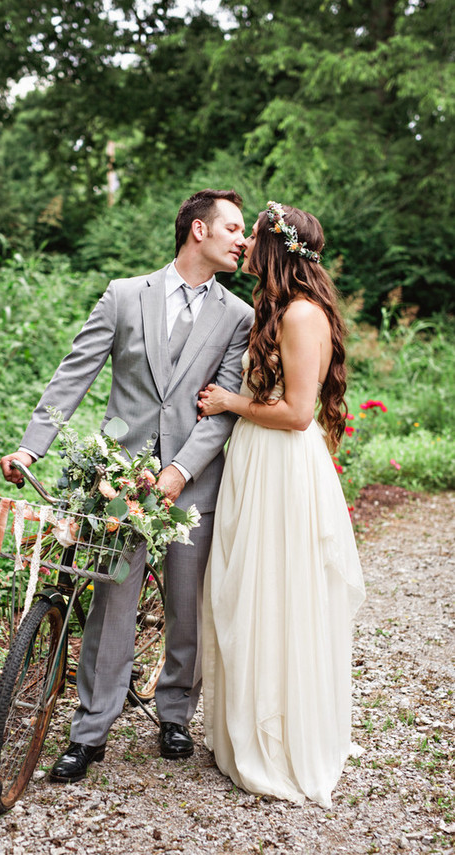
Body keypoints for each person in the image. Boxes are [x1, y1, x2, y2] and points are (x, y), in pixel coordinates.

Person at [0, 189, 254, 783]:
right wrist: (30, 446)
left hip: (192, 482)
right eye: (234, 228)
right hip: (120, 479)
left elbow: (220, 412)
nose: (244, 240)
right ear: (198, 230)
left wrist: (179, 471)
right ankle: (90, 731)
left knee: (186, 606)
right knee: (111, 604)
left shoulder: (238, 316)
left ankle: (175, 715)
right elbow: (74, 374)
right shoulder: (122, 295)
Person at [197, 201, 365, 809]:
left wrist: (228, 403)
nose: (243, 246)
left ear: (276, 249)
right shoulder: (279, 311)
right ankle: (244, 727)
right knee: (245, 593)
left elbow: (296, 415)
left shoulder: (300, 315)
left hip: (282, 468)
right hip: (256, 465)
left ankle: (280, 740)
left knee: (276, 596)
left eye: (253, 238)